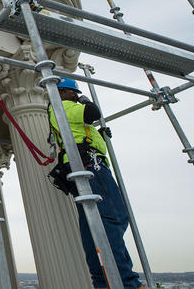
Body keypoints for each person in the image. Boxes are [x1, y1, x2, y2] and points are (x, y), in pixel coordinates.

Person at [48, 78, 145, 289]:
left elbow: (81, 131)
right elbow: (92, 113)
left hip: (83, 164)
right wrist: (84, 99)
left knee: (93, 225)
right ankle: (125, 283)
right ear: (66, 93)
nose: (77, 98)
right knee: (113, 216)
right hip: (92, 167)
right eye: (75, 93)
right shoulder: (65, 105)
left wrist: (98, 135)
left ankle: (104, 282)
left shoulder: (63, 111)